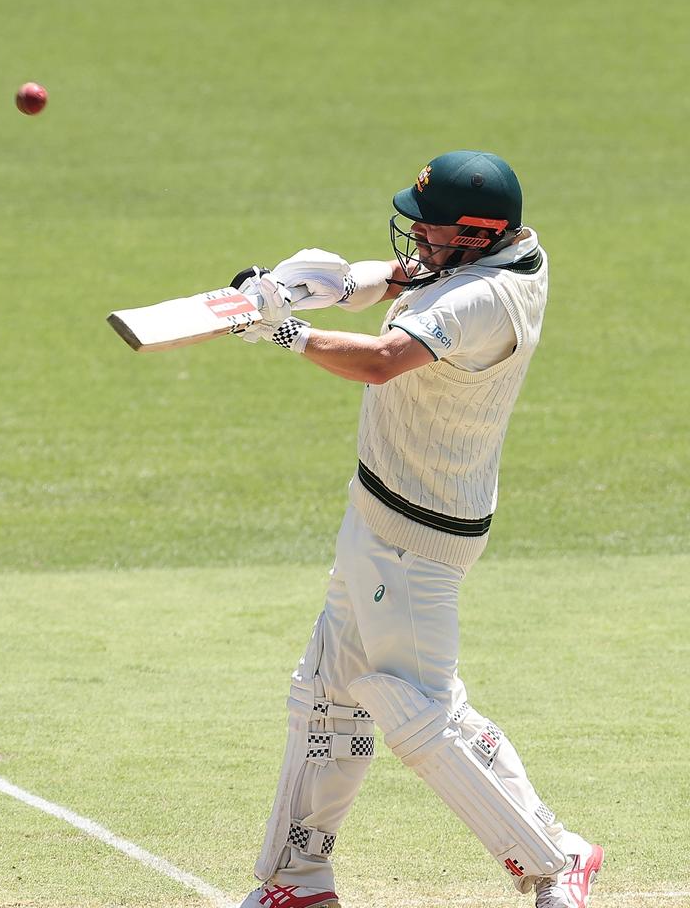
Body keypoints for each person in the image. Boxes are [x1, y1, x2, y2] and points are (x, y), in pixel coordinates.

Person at [231, 151, 603, 908]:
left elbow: (381, 361)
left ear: (474, 236)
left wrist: (285, 334)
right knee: (328, 698)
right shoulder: (504, 252)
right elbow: (398, 280)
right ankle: (298, 882)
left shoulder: (487, 300)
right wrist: (302, 287)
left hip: (414, 535)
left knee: (420, 715)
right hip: (380, 510)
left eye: (431, 233)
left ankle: (556, 857)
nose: (418, 243)